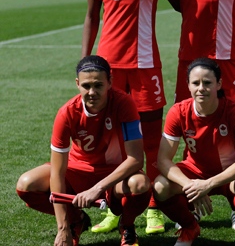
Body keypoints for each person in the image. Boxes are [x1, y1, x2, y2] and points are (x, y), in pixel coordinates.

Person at [81, 0, 180, 235]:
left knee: (150, 143)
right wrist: (85, 63)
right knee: (113, 143)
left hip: (146, 67)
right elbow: (92, 16)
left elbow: (184, 1)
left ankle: (152, 207)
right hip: (109, 68)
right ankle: (113, 207)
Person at [16, 56, 150, 246]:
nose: (92, 92)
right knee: (26, 184)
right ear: (77, 84)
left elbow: (136, 159)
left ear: (110, 82)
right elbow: (57, 171)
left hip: (114, 177)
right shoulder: (67, 113)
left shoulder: (124, 104)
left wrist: (97, 189)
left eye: (98, 85)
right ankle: (75, 221)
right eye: (86, 86)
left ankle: (127, 226)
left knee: (140, 183)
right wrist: (62, 228)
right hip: (77, 173)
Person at [153, 58, 235, 246]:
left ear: (218, 84)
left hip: (230, 175)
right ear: (188, 85)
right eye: (196, 83)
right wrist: (191, 185)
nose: (201, 88)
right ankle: (189, 226)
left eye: (207, 82)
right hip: (195, 172)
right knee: (160, 187)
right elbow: (163, 160)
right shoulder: (178, 111)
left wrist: (208, 184)